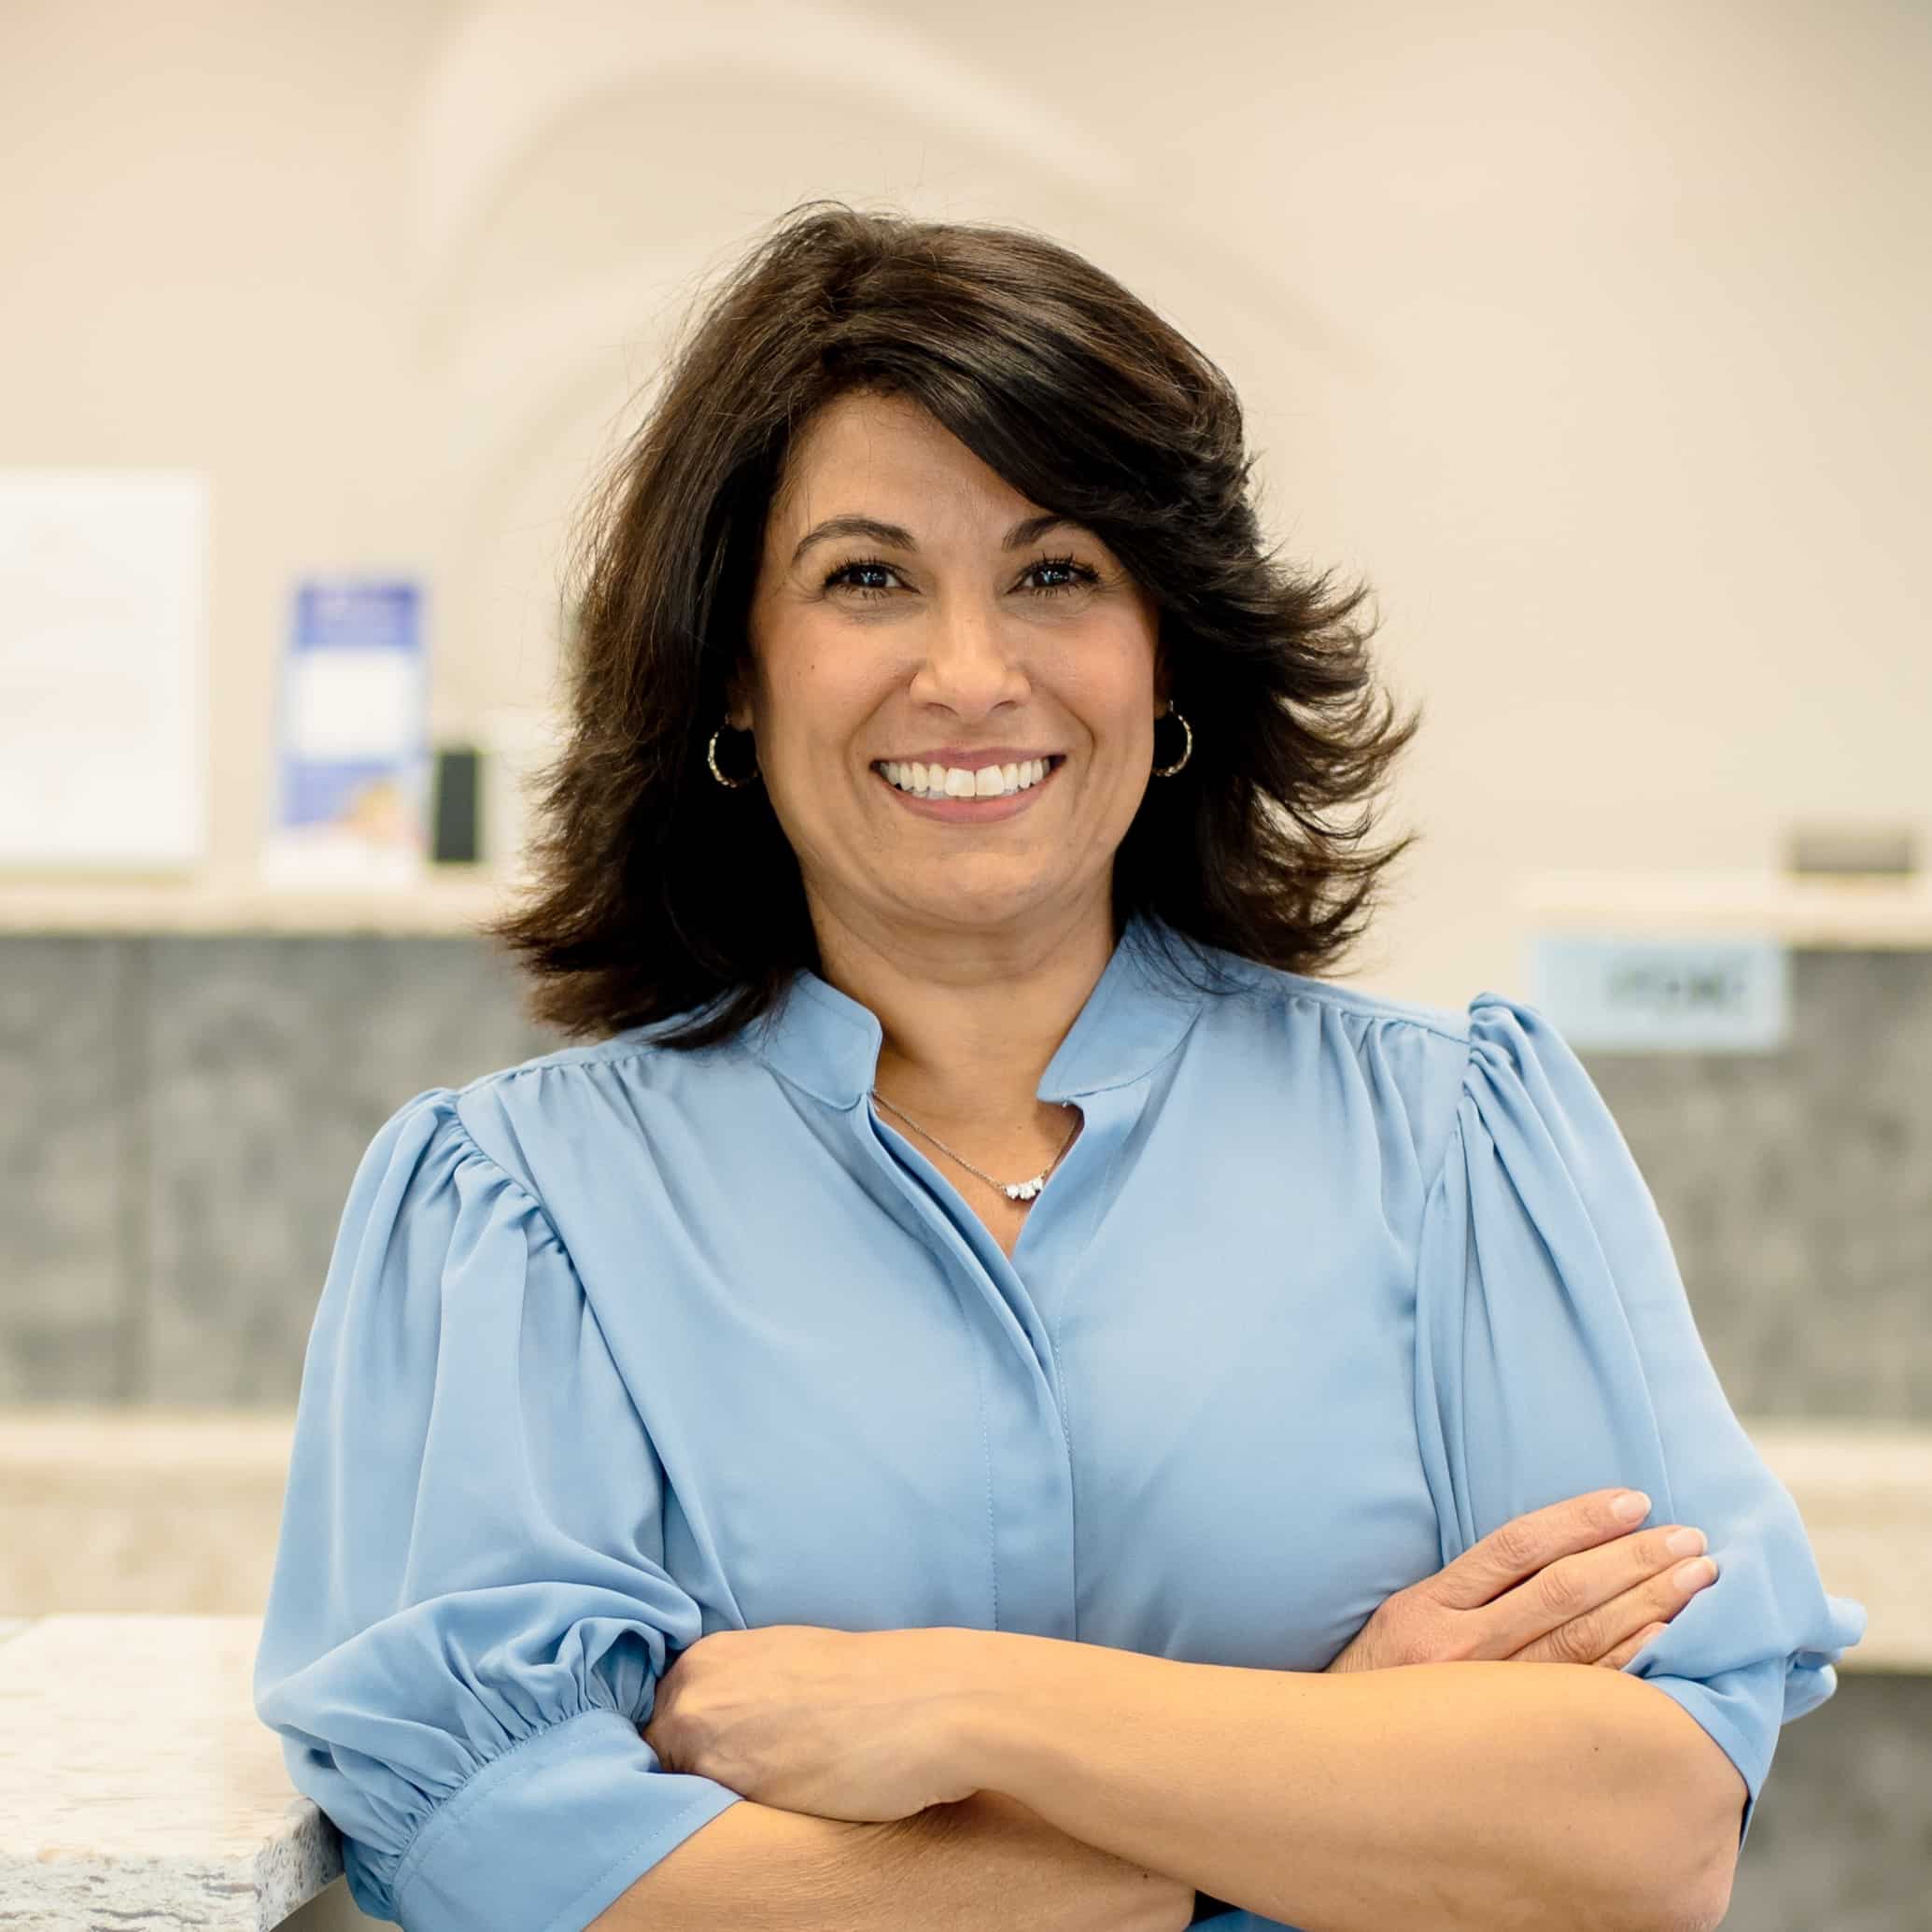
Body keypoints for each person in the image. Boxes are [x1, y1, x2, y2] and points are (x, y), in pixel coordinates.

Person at [252, 200, 1864, 1932]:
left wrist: (971, 1707)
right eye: (867, 578)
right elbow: (514, 1873)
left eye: (1056, 573)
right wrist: (1329, 1762)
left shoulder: (1456, 1140)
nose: (970, 675)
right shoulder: (521, 1206)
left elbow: (1643, 1836)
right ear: (732, 668)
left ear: (1165, 650)